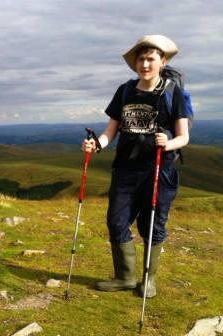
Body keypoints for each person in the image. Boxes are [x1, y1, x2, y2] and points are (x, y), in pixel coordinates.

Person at [82, 35, 193, 298]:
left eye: (150, 59)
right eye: (140, 59)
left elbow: (184, 137)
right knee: (116, 220)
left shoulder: (173, 93)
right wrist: (96, 144)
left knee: (152, 225)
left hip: (158, 170)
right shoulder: (125, 91)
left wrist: (168, 143)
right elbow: (111, 131)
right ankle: (125, 277)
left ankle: (148, 280)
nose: (144, 64)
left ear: (162, 61)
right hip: (125, 169)